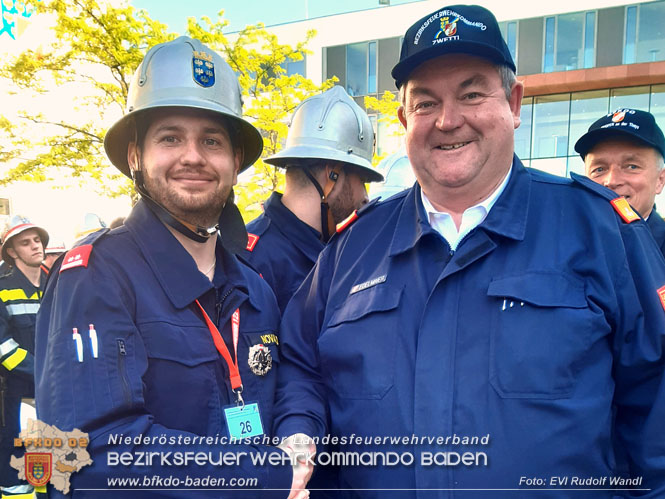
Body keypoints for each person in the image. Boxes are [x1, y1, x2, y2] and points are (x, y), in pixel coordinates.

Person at [273, 5, 665, 498]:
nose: (448, 120)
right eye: (425, 102)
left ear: (514, 103)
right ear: (403, 119)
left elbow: (655, 405)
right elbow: (300, 364)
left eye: (472, 93)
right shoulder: (352, 248)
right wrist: (299, 434)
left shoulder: (602, 231)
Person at [35, 37, 306, 498]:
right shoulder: (95, 276)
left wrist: (297, 436)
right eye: (170, 137)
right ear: (136, 156)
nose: (194, 156)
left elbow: (287, 384)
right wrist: (264, 476)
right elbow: (78, 458)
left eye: (212, 141)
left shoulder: (254, 289)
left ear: (235, 162)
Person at [244, 86, 383, 313]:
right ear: (332, 174)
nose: (366, 196)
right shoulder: (252, 261)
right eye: (363, 179)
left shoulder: (337, 250)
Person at [0, 216, 48, 499]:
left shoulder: (57, 282)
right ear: (12, 252)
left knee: (52, 458)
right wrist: (42, 369)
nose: (34, 246)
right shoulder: (2, 288)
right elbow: (2, 346)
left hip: (55, 387)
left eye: (37, 240)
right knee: (21, 459)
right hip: (20, 391)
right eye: (25, 242)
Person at [575, 108, 665, 255]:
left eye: (631, 166)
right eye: (599, 169)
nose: (611, 181)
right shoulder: (565, 246)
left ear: (660, 180)